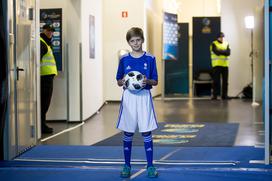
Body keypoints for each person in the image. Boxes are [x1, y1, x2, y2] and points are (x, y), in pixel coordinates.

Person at [116, 27, 159, 178]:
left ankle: (150, 166)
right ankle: (127, 165)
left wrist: (147, 81)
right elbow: (119, 81)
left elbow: (155, 81)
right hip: (129, 98)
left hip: (144, 97)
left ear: (142, 40)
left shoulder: (150, 59)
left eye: (138, 40)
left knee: (146, 131)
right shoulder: (124, 59)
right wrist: (123, 81)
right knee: (128, 132)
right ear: (128, 42)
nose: (135, 43)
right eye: (132, 41)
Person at [40, 24, 58, 133]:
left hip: (47, 77)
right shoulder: (42, 42)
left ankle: (42, 124)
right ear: (44, 30)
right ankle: (42, 126)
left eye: (52, 31)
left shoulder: (46, 42)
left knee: (45, 103)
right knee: (44, 103)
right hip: (44, 78)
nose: (50, 33)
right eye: (48, 31)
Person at [210, 32, 231, 100]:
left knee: (225, 81)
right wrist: (224, 51)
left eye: (222, 37)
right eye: (220, 37)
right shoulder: (214, 44)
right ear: (217, 37)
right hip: (216, 65)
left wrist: (221, 51)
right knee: (216, 81)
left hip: (225, 65)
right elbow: (216, 52)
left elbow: (228, 53)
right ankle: (214, 96)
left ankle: (224, 96)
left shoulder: (226, 43)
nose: (222, 38)